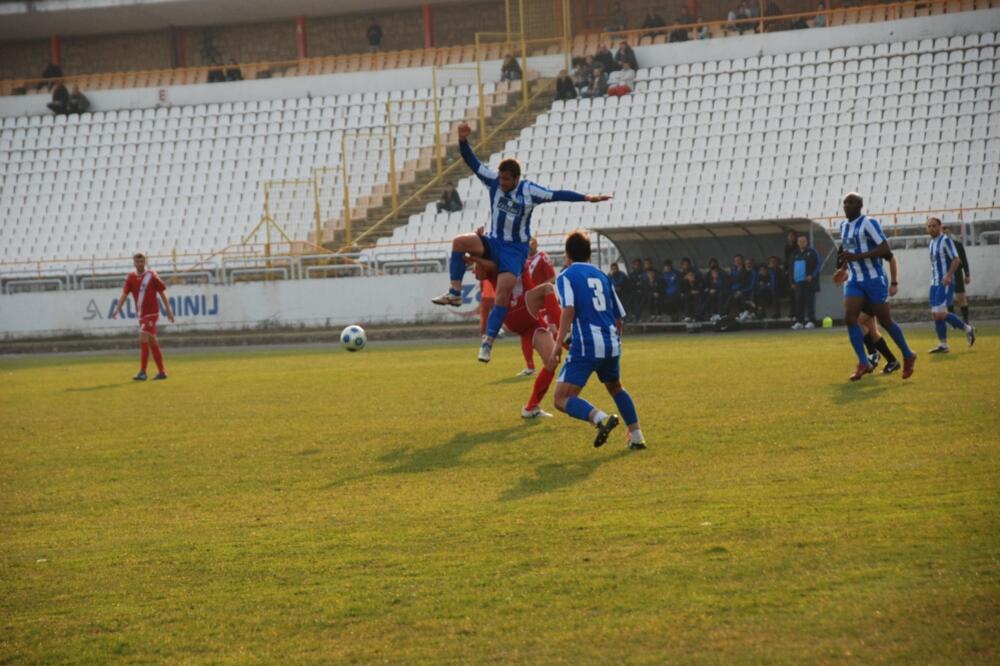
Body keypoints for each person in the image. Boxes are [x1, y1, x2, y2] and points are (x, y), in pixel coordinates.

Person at [431, 122, 610, 363]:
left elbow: (557, 195)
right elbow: (472, 163)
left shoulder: (530, 191)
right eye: (501, 178)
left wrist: (586, 198)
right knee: (459, 242)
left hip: (515, 250)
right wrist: (463, 141)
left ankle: (487, 343)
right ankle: (455, 292)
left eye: (506, 180)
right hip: (494, 241)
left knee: (503, 292)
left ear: (516, 178)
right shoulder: (494, 181)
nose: (502, 183)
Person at [549, 231, 646, 450]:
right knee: (616, 388)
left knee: (561, 398)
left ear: (567, 254)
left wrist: (557, 344)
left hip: (587, 344)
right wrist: (616, 343)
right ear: (589, 254)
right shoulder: (603, 276)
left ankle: (601, 418)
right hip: (611, 342)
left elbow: (568, 309)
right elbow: (618, 316)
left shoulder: (566, 276)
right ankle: (637, 437)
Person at [470, 256, 563, 418]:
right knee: (548, 288)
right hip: (515, 311)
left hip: (530, 320)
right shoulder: (500, 257)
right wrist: (474, 258)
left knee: (552, 361)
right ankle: (564, 333)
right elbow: (479, 273)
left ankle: (531, 408)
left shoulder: (519, 255)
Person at [837, 192, 916, 381]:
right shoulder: (843, 226)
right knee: (850, 319)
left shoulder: (869, 223)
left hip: (874, 279)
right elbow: (849, 251)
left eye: (851, 202)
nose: (846, 205)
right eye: (845, 202)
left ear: (860, 206)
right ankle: (863, 362)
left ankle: (908, 354)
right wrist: (843, 268)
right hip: (855, 280)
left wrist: (859, 257)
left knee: (885, 321)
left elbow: (885, 249)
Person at [110, 253, 175, 380]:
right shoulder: (131, 277)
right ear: (134, 263)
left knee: (143, 336)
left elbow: (162, 293)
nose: (139, 264)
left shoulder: (152, 275)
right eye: (137, 262)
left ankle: (143, 372)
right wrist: (117, 309)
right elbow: (124, 294)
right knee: (153, 341)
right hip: (141, 315)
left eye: (141, 261)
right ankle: (162, 372)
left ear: (145, 262)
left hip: (152, 313)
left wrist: (168, 310)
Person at [925, 217, 976, 353]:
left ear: (940, 226)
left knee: (940, 313)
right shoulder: (931, 243)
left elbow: (956, 259)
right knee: (936, 314)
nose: (932, 228)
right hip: (935, 283)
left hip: (945, 282)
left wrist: (948, 275)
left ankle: (967, 328)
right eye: (929, 226)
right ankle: (943, 344)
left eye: (934, 226)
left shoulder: (945, 240)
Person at [516, 237, 557, 376]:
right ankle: (530, 367)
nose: (529, 246)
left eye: (531, 244)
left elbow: (552, 279)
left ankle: (567, 354)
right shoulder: (523, 260)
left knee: (552, 332)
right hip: (529, 304)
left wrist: (538, 291)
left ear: (536, 244)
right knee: (525, 333)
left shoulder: (543, 257)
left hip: (543, 303)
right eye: (527, 244)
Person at [790, 234, 821, 329]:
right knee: (799, 302)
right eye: (800, 241)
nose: (802, 243)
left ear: (807, 242)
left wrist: (812, 275)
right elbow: (791, 268)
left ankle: (811, 321)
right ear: (797, 242)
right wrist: (792, 282)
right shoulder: (795, 253)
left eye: (803, 241)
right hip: (798, 282)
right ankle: (799, 321)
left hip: (809, 282)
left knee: (810, 302)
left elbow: (818, 264)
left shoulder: (812, 252)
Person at [945, 227, 972, 324]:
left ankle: (966, 320)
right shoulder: (940, 246)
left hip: (957, 273)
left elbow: (964, 260)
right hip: (945, 273)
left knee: (961, 297)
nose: (946, 235)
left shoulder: (958, 245)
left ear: (950, 234)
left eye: (947, 233)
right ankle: (953, 322)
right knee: (948, 299)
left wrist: (967, 274)